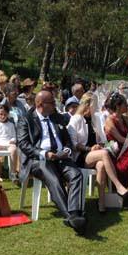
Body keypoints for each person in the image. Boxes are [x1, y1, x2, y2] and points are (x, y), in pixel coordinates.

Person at [17, 90, 87, 235]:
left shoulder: (56, 117)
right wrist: (45, 153)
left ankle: (74, 212)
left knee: (76, 174)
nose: (55, 105)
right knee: (53, 178)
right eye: (52, 103)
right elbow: (23, 144)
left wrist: (67, 150)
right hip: (38, 159)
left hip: (61, 157)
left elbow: (67, 139)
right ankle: (71, 216)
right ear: (40, 104)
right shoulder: (26, 119)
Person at [69, 93, 128, 212]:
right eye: (95, 104)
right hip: (81, 155)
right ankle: (118, 186)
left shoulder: (96, 119)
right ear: (88, 105)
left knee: (101, 165)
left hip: (95, 153)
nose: (97, 107)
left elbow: (102, 139)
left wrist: (102, 145)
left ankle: (101, 203)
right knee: (104, 154)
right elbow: (73, 144)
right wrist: (89, 148)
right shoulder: (76, 119)